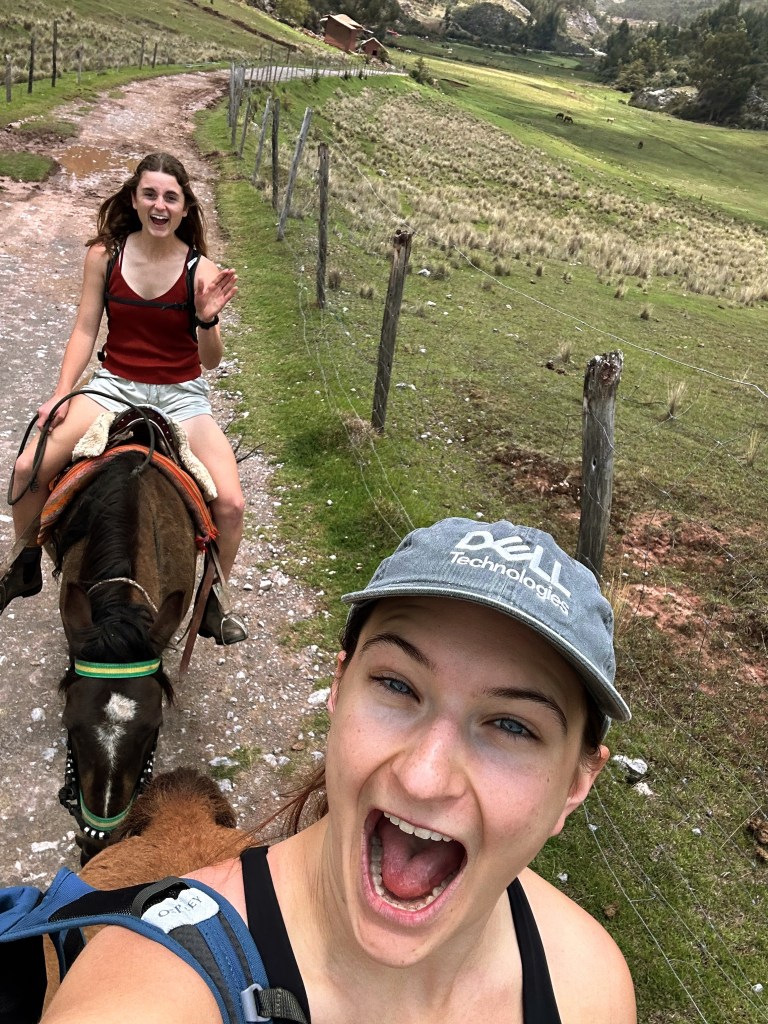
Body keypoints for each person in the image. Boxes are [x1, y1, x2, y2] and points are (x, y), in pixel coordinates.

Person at [42, 517, 636, 1024]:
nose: (424, 779)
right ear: (338, 686)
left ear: (576, 785)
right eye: (397, 685)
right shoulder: (150, 982)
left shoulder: (593, 988)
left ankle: (211, 596)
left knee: (227, 501)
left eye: (512, 725)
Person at [0, 151, 247, 645]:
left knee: (232, 505)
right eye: (149, 194)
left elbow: (211, 361)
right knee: (28, 468)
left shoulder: (201, 269)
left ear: (184, 207)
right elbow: (85, 328)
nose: (159, 205)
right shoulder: (104, 255)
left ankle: (210, 601)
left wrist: (206, 319)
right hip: (114, 385)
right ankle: (24, 563)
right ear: (134, 199)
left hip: (181, 395)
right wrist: (61, 395)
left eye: (170, 197)